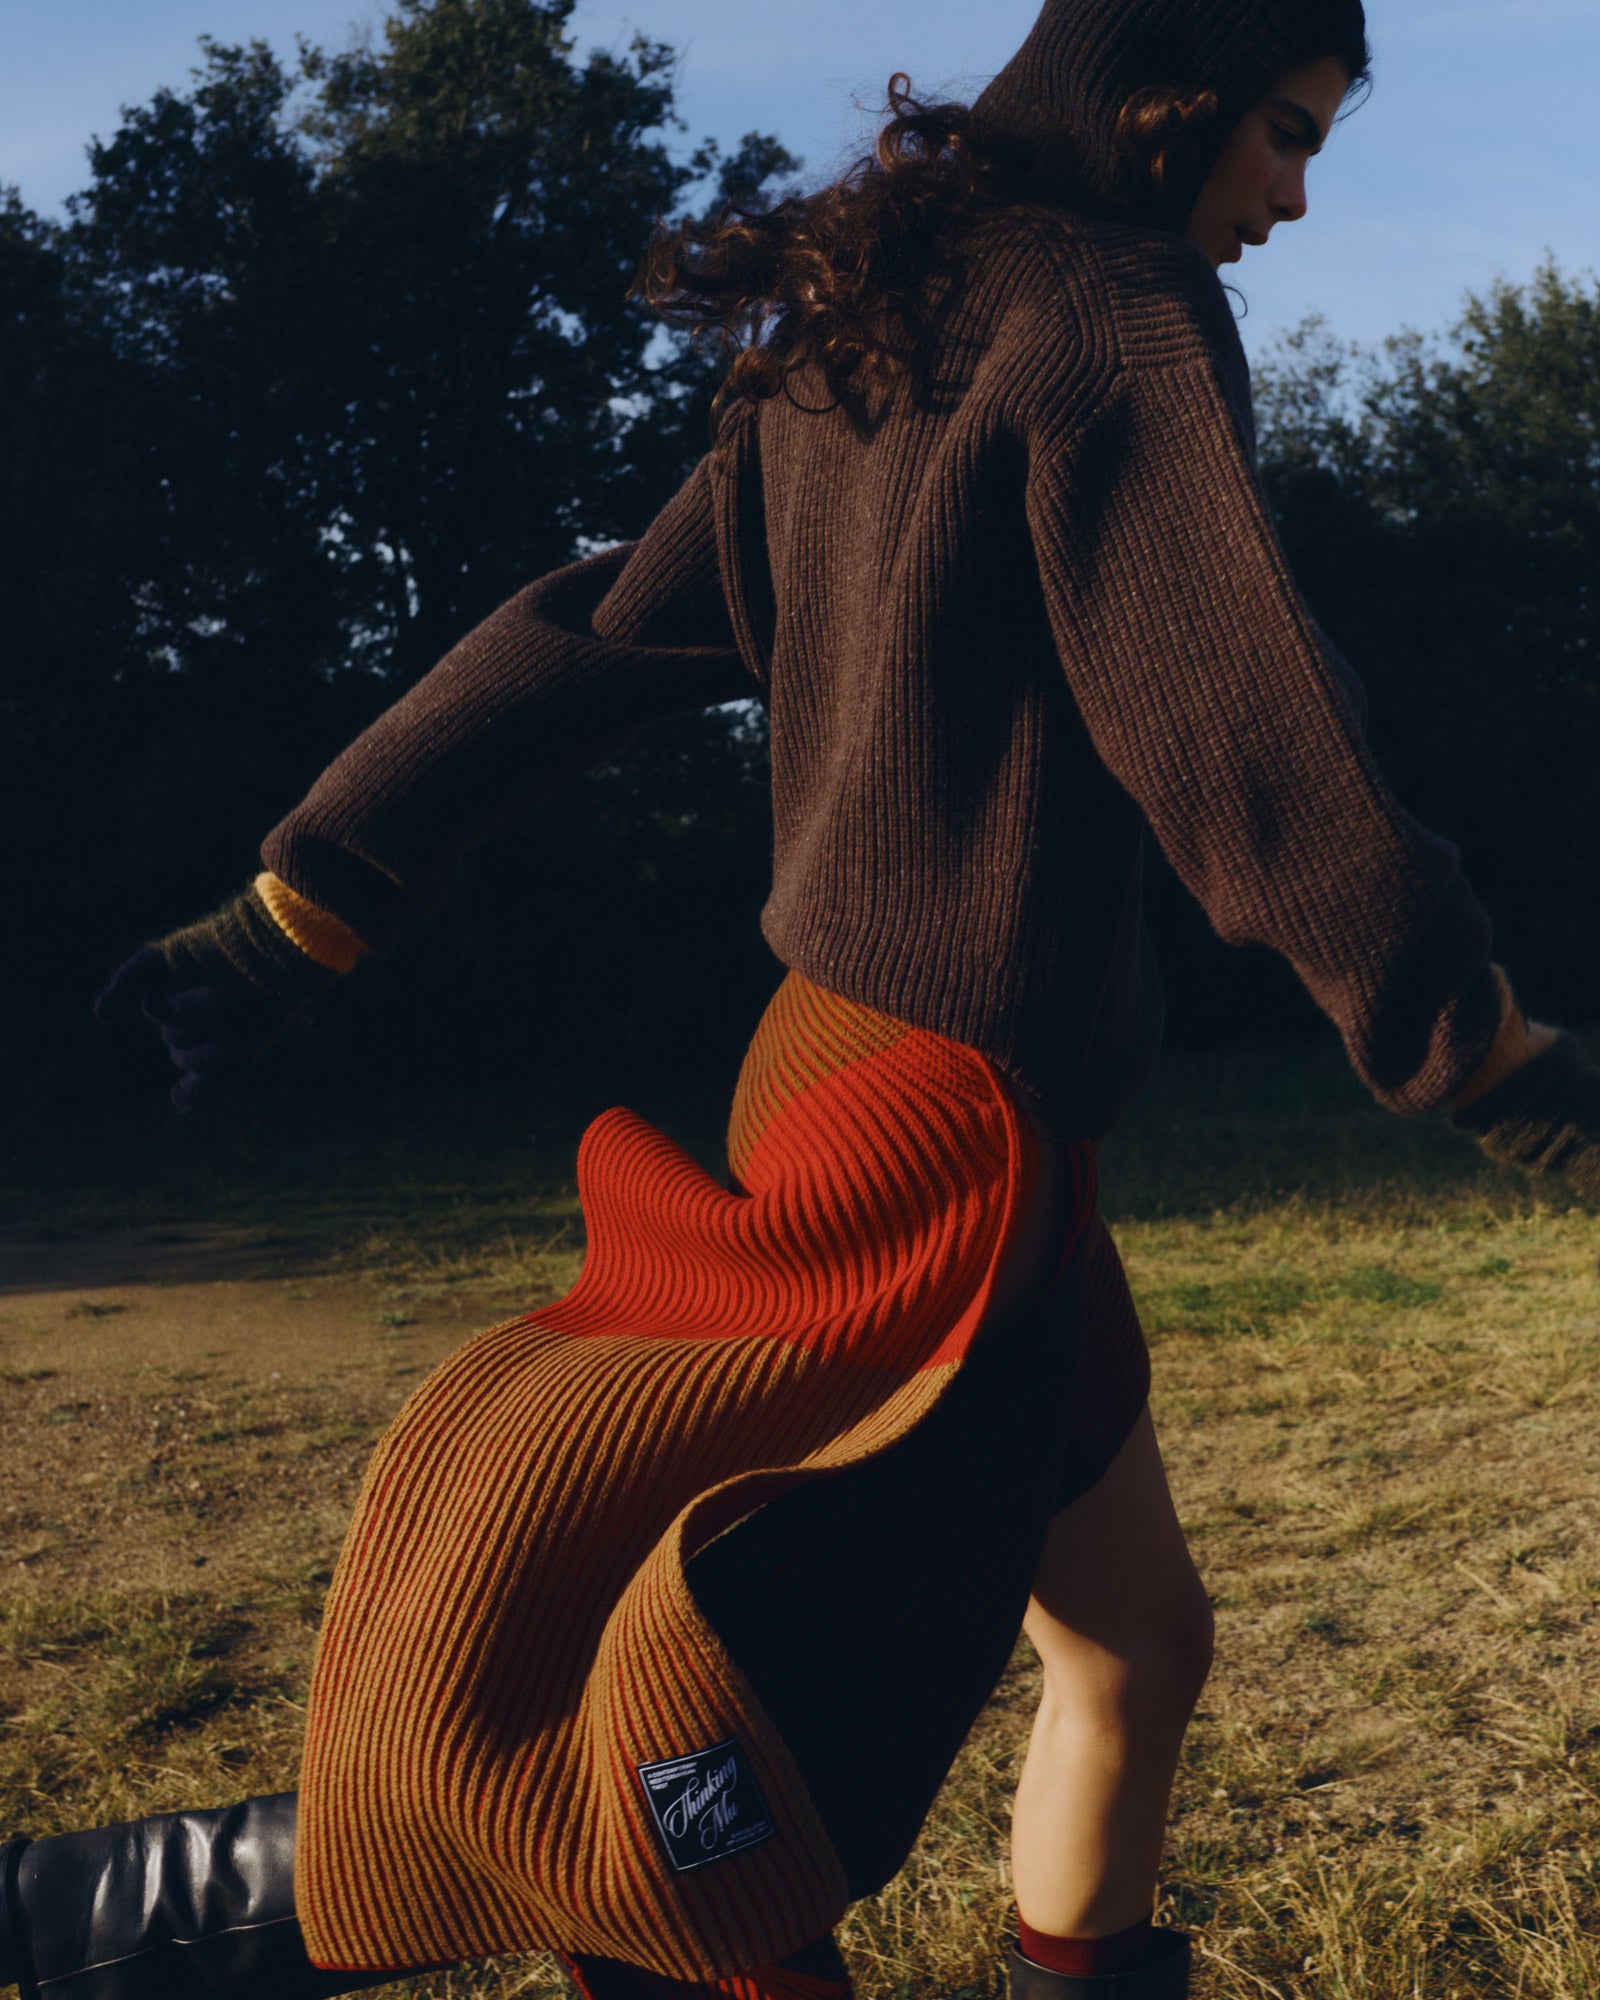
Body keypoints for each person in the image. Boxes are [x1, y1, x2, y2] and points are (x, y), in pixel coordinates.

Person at [6, 1, 1598, 1997]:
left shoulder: (881, 320)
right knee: (719, 1782)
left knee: (1133, 1642)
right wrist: (1480, 1049)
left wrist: (304, 897)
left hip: (864, 1078)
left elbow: (600, 628)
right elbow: (1244, 725)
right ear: (1162, 105)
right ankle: (147, 1908)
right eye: (1284, 134)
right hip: (943, 1144)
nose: (1289, 196)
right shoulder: (1114, 314)